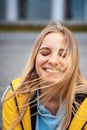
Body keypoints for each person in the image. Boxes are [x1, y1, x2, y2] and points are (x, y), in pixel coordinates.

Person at [1, 21, 87, 130]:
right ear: (35, 58)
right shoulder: (15, 96)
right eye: (45, 53)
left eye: (63, 55)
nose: (53, 61)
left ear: (74, 63)